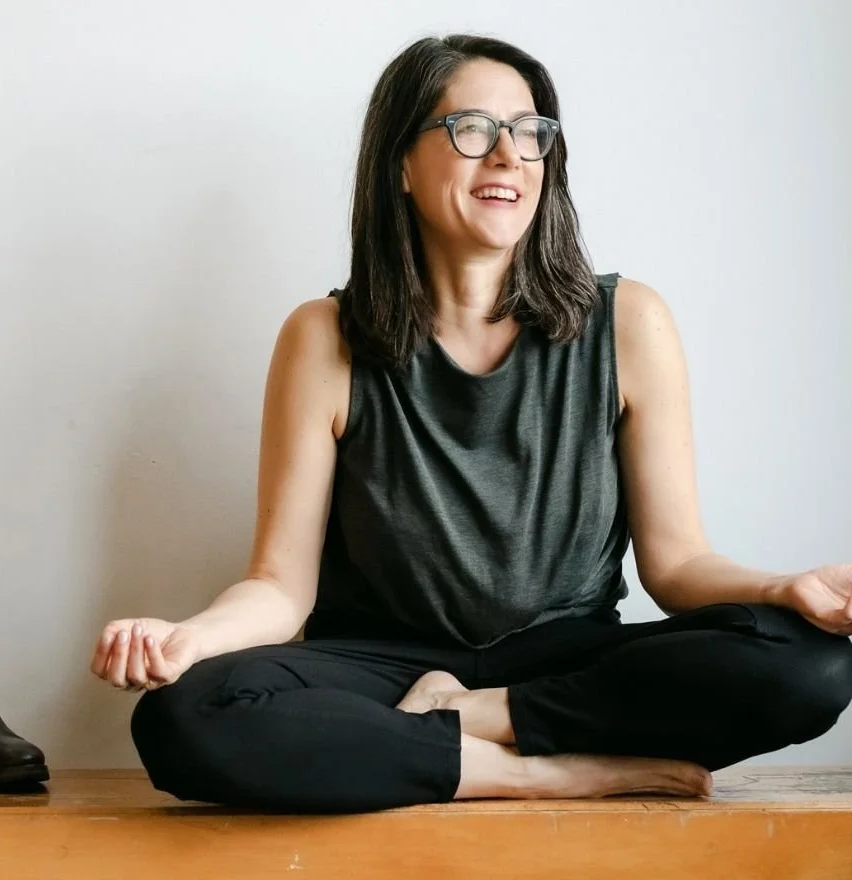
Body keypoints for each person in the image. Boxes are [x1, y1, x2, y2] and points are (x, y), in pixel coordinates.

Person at [87, 33, 852, 814]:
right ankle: (536, 771)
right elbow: (281, 588)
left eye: (530, 133)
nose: (509, 157)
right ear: (401, 166)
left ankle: (480, 723)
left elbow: (678, 565)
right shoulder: (323, 338)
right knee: (184, 716)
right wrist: (195, 638)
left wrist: (784, 587)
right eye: (473, 130)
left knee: (812, 665)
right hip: (381, 665)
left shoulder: (630, 323)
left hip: (566, 664)